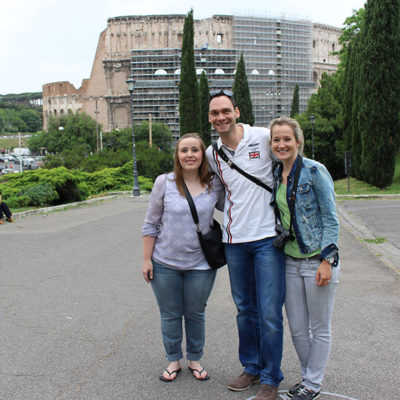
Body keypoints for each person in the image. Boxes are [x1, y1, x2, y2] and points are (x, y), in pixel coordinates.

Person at [206, 89, 285, 400]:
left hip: (267, 239)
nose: (221, 117)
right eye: (214, 113)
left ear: (237, 111)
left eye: (225, 111)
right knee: (244, 310)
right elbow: (215, 189)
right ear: (210, 118)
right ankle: (251, 367)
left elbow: (290, 163)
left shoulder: (263, 137)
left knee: (269, 312)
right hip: (234, 241)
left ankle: (271, 378)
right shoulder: (214, 154)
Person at [142, 133, 224, 383]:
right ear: (177, 156)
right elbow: (150, 223)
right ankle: (173, 359)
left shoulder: (215, 184)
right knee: (169, 313)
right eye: (184, 150)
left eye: (195, 150)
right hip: (164, 262)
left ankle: (195, 359)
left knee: (196, 313)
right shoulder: (163, 183)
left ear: (203, 155)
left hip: (200, 264)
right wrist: (146, 260)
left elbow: (233, 207)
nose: (189, 155)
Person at [269, 117, 339, 400]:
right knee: (297, 327)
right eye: (276, 140)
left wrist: (327, 260)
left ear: (298, 141)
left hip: (315, 260)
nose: (282, 144)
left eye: (287, 139)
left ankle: (312, 383)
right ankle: (308, 377)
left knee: (319, 326)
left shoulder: (314, 170)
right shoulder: (275, 173)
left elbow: (331, 219)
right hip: (289, 260)